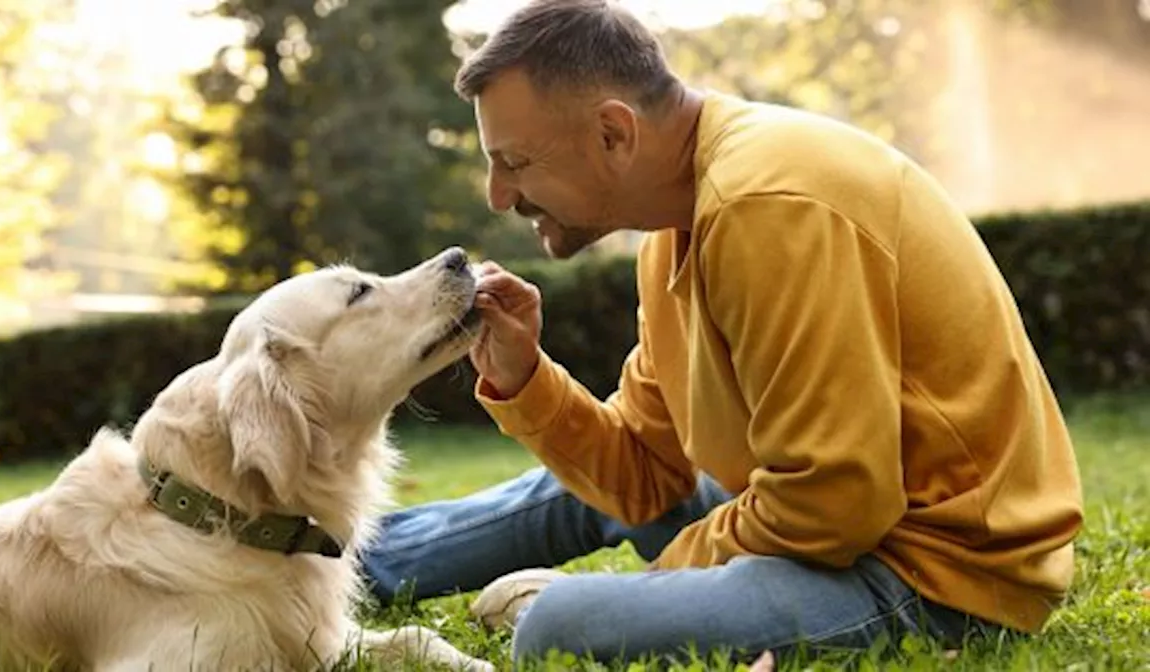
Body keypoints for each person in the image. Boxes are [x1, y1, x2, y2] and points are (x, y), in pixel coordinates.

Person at [359, 0, 1084, 666]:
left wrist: (656, 583)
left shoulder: (767, 204)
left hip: (933, 573)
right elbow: (644, 471)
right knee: (577, 496)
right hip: (837, 524)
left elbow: (835, 506)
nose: (498, 195)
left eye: (514, 162)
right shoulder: (680, 227)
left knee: (557, 627)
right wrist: (525, 379)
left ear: (614, 133)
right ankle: (334, 566)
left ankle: (564, 600)